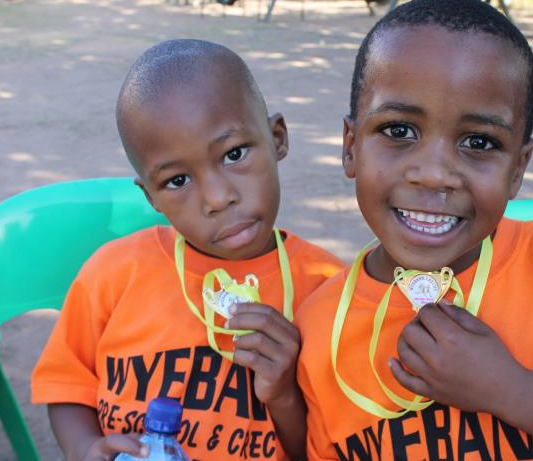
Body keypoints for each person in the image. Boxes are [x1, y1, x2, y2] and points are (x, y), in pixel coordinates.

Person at [295, 0, 533, 460]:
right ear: (351, 146)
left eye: (478, 142)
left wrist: (509, 390)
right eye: (399, 131)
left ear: (518, 168)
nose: (434, 174)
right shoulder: (318, 327)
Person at [31, 39, 343, 461]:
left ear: (277, 139)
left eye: (234, 154)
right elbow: (67, 388)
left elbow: (327, 448)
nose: (217, 198)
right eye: (177, 181)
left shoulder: (329, 291)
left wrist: (285, 394)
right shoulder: (113, 273)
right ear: (151, 197)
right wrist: (85, 448)